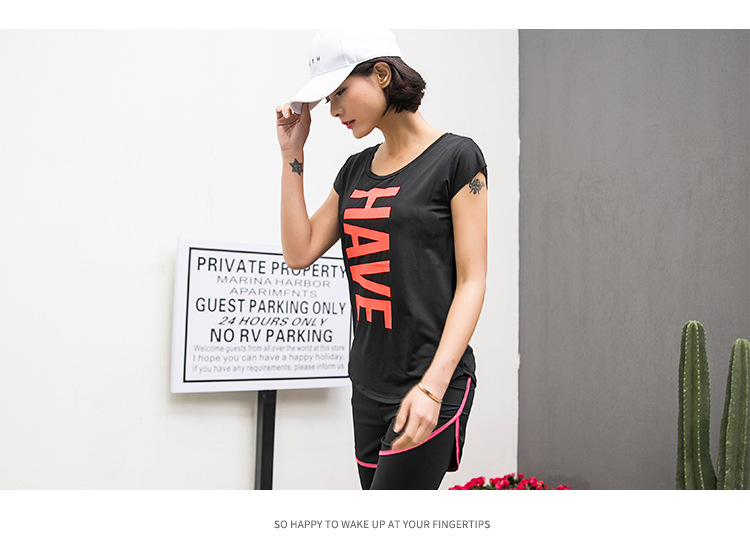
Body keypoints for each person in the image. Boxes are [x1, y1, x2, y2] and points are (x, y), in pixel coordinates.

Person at [275, 29, 487, 490]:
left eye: (339, 92)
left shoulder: (457, 158)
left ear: (382, 74)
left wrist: (432, 388)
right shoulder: (355, 170)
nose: (333, 110)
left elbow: (473, 280)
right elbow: (299, 252)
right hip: (368, 387)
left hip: (430, 385)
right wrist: (293, 153)